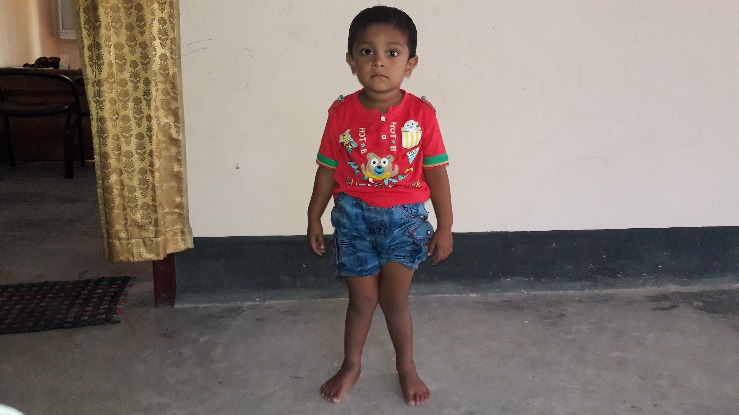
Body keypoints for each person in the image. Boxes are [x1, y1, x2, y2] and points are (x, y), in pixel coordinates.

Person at [307, 5, 453, 406]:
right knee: (361, 301)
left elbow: (437, 173)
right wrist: (313, 216)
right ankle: (351, 364)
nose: (379, 62)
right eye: (367, 52)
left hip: (406, 223)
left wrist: (445, 226)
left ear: (411, 64)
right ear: (351, 60)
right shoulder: (340, 113)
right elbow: (326, 170)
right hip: (352, 219)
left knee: (394, 300)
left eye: (392, 52)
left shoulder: (422, 115)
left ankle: (406, 366)